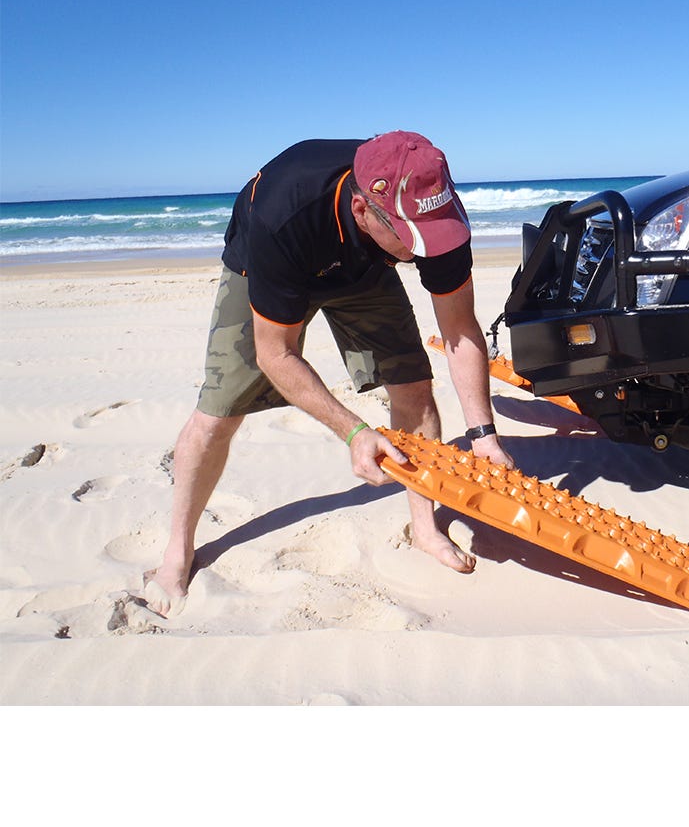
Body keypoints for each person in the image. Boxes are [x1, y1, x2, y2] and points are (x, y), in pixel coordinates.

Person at [142, 131, 513, 618]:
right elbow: (276, 354)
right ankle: (178, 549)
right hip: (275, 260)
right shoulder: (283, 216)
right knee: (219, 412)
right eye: (414, 237)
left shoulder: (432, 209)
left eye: (432, 234)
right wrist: (354, 432)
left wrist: (483, 434)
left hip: (364, 266)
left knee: (414, 387)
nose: (427, 249)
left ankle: (424, 527)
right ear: (362, 210)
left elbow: (460, 328)